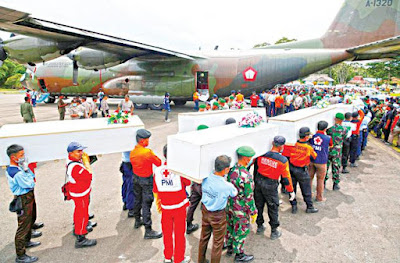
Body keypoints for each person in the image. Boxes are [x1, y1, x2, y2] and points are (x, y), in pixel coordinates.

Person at [153, 145, 191, 263]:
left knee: (167, 234)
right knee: (179, 235)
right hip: (179, 207)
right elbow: (188, 182)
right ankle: (179, 258)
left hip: (165, 208)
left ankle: (168, 257)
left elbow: (155, 189)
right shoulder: (179, 170)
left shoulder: (158, 170)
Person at [198, 155, 237, 263]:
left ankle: (200, 260)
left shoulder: (206, 177)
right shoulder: (226, 186)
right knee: (217, 243)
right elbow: (234, 193)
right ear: (225, 169)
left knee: (203, 238)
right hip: (218, 216)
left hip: (205, 211)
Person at [254, 136, 295, 240]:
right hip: (271, 185)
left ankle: (259, 226)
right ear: (282, 146)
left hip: (259, 182)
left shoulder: (261, 154)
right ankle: (274, 231)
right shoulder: (282, 160)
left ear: (272, 143)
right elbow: (286, 177)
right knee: (273, 207)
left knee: (259, 205)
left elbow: (256, 168)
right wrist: (291, 190)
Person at [6, 144, 41, 263]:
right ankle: (21, 255)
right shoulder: (16, 172)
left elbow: (31, 177)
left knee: (31, 219)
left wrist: (27, 172)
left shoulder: (18, 168)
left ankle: (27, 241)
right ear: (13, 157)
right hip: (23, 198)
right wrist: (27, 172)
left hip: (28, 196)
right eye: (21, 155)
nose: (23, 157)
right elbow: (30, 183)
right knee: (23, 227)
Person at [225, 146, 257, 262]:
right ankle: (239, 254)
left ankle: (229, 246)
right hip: (240, 208)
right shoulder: (246, 176)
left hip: (230, 205)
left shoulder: (231, 170)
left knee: (230, 226)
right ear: (246, 159)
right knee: (241, 230)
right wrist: (253, 212)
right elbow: (249, 197)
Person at [130, 129, 163, 239]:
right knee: (146, 203)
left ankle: (137, 220)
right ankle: (148, 230)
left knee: (137, 200)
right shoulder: (147, 153)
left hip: (135, 178)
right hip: (146, 180)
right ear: (143, 141)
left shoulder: (133, 152)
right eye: (147, 139)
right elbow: (158, 163)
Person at [65, 142, 97, 248]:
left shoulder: (72, 161)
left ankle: (78, 229)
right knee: (82, 215)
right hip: (80, 193)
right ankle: (81, 237)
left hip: (78, 192)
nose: (81, 153)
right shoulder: (75, 167)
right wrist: (86, 163)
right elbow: (88, 176)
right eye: (78, 151)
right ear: (71, 153)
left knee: (79, 212)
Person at [284, 127, 319, 214]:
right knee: (306, 189)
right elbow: (314, 156)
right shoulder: (308, 148)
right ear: (306, 137)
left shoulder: (292, 144)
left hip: (291, 168)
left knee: (292, 188)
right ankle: (309, 207)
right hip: (302, 170)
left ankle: (294, 206)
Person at [186, 124, 209, 234]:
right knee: (207, 208)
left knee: (192, 205)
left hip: (195, 181)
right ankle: (206, 230)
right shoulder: (209, 147)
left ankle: (188, 224)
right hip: (205, 183)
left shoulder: (192, 146)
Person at [309, 121, 332, 201]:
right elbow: (331, 145)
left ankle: (309, 195)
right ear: (325, 129)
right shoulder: (328, 138)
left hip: (311, 160)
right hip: (321, 161)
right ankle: (319, 197)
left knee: (310, 178)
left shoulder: (312, 137)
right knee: (320, 180)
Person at [326, 113, 346, 190]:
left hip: (328, 150)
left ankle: (323, 182)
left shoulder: (330, 128)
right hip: (337, 151)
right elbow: (344, 137)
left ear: (335, 119)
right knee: (336, 166)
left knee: (326, 166)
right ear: (342, 120)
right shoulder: (344, 129)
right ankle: (335, 184)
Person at [120, 151, 135, 217]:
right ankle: (131, 208)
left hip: (125, 161)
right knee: (131, 186)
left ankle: (126, 202)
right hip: (130, 162)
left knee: (126, 183)